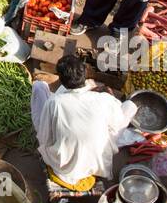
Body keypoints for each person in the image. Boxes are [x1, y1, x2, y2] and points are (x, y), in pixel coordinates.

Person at [30, 52, 137, 194]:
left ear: (61, 79)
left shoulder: (55, 102)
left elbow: (44, 137)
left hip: (62, 166)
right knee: (129, 106)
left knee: (38, 86)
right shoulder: (104, 99)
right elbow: (118, 123)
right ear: (85, 75)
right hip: (96, 163)